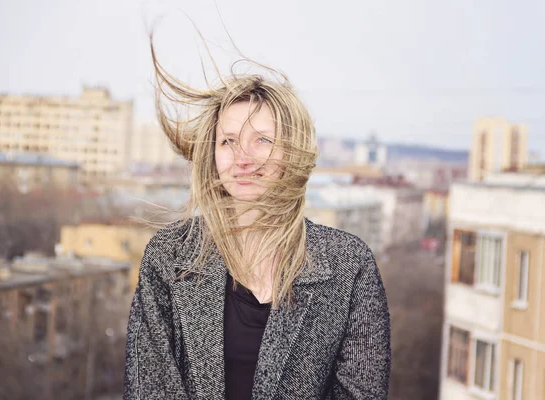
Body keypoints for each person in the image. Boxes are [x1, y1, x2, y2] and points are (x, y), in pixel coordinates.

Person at [124, 38, 391, 400]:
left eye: (262, 140)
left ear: (292, 152)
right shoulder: (170, 255)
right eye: (228, 141)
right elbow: (148, 388)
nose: (242, 158)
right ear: (212, 154)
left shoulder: (348, 265)